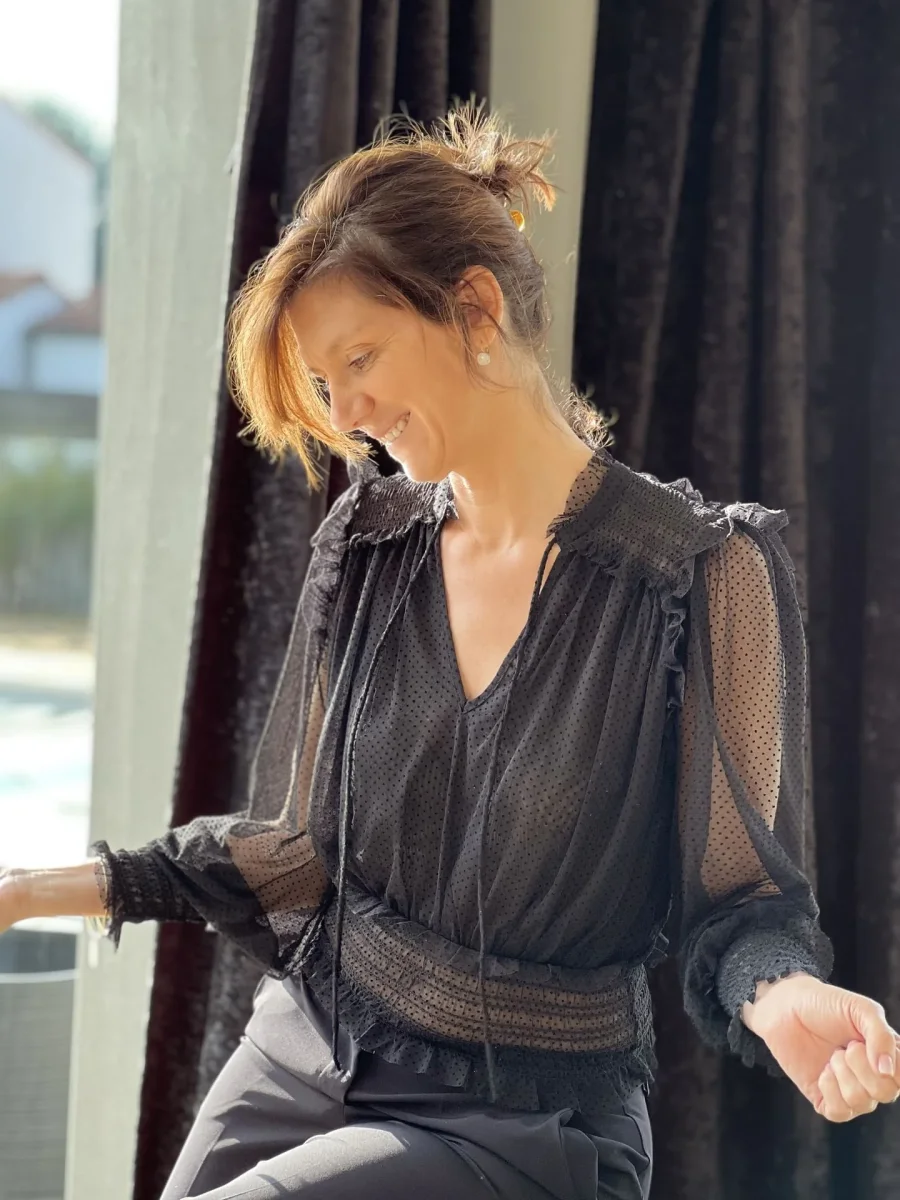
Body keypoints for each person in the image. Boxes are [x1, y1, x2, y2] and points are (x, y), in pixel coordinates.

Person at [2, 102, 898, 1200]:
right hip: (307, 1048)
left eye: (361, 358)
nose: (347, 411)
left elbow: (744, 899)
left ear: (475, 308)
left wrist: (783, 992)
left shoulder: (701, 576)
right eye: (325, 383)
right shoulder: (368, 545)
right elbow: (296, 853)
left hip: (524, 1121)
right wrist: (25, 890)